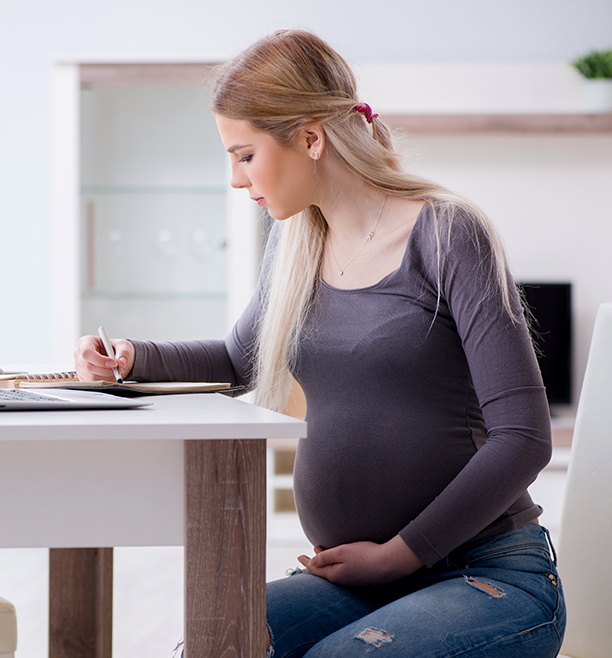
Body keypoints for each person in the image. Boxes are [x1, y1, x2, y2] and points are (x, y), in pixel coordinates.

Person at [74, 29, 566, 658]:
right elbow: (241, 361)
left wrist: (398, 555)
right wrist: (129, 358)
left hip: (485, 573)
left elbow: (525, 437)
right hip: (361, 585)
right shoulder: (297, 242)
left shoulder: (448, 235)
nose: (235, 179)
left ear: (311, 139)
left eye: (245, 155)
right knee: (213, 642)